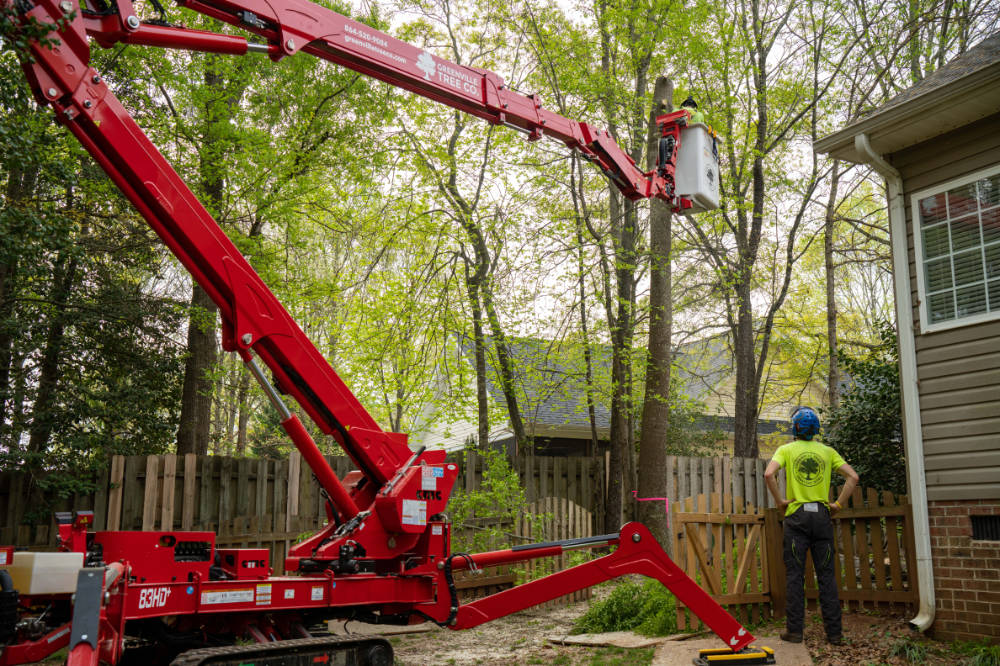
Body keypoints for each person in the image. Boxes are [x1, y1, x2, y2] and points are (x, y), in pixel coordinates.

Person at [763, 406, 859, 647]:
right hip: (821, 519)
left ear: (795, 428)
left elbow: (768, 474)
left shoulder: (786, 449)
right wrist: (837, 504)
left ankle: (795, 632)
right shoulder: (827, 452)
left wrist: (780, 502)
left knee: (795, 575)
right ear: (816, 430)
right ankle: (834, 635)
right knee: (827, 576)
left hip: (797, 519)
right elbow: (853, 477)